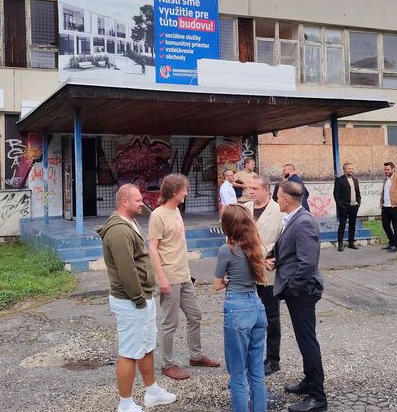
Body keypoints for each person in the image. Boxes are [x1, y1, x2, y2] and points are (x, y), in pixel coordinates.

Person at [98, 184, 177, 412]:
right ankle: (125, 404)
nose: (142, 203)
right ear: (124, 201)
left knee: (146, 346)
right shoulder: (119, 231)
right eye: (138, 200)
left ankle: (152, 392)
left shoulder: (130, 223)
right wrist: (139, 299)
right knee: (129, 352)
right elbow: (127, 271)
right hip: (131, 301)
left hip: (142, 298)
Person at [148, 173, 221, 380]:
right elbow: (153, 249)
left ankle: (195, 356)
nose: (187, 193)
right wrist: (161, 278)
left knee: (195, 315)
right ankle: (167, 365)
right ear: (174, 192)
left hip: (184, 275)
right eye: (184, 190)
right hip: (169, 277)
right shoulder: (158, 215)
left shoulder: (177, 211)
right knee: (170, 323)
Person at [266, 180, 328, 412]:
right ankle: (309, 382)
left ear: (286, 200)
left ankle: (318, 397)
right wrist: (276, 260)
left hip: (301, 292)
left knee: (307, 342)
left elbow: (308, 264)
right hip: (297, 290)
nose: (275, 200)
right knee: (305, 341)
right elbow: (291, 251)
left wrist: (291, 288)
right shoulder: (293, 219)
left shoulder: (303, 223)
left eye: (277, 196)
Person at [213, 204, 269, 412]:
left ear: (227, 227)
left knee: (237, 374)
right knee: (256, 371)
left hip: (237, 307)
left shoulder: (226, 251)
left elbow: (217, 284)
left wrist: (228, 281)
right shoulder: (256, 247)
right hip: (256, 306)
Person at [243, 174, 286, 376]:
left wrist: (273, 257)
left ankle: (273, 359)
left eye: (254, 188)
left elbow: (283, 240)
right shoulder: (245, 209)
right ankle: (252, 356)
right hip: (248, 269)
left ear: (267, 190)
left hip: (269, 270)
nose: (250, 191)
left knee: (271, 317)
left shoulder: (278, 210)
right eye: (249, 188)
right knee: (250, 316)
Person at [333, 162, 362, 252]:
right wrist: (340, 205)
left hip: (354, 206)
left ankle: (351, 243)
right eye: (349, 168)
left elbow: (358, 193)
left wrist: (358, 202)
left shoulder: (355, 180)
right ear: (345, 170)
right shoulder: (339, 180)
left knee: (352, 225)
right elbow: (336, 194)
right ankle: (340, 244)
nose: (351, 170)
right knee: (342, 225)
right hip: (343, 207)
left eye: (352, 168)